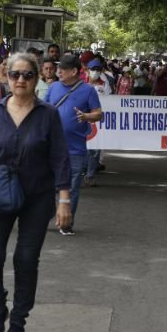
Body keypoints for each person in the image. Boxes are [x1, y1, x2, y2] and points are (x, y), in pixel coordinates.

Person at [0, 52, 71, 332]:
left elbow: (60, 158)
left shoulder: (48, 114)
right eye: (15, 74)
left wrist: (64, 200)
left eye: (28, 75)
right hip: (0, 193)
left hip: (37, 196)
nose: (21, 80)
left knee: (26, 259)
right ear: (6, 76)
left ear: (37, 79)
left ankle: (19, 318)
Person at [45, 55, 102, 235]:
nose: (58, 71)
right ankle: (44, 216)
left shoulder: (88, 91)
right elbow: (43, 110)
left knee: (72, 186)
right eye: (58, 68)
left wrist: (86, 117)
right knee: (46, 184)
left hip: (76, 148)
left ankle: (67, 222)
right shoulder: (53, 87)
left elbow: (99, 114)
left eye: (62, 68)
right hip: (51, 147)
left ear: (74, 71)